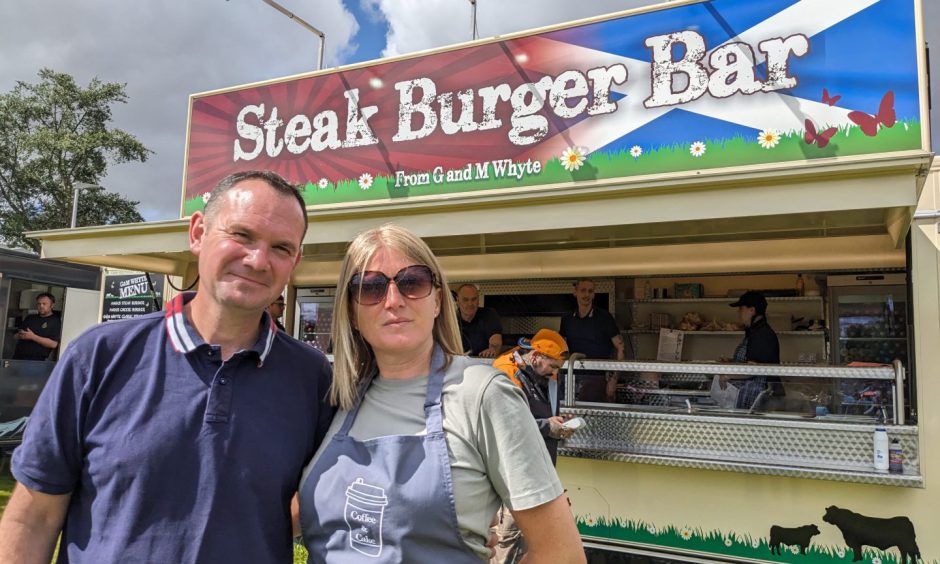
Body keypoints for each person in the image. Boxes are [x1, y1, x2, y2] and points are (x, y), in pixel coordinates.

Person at [0, 170, 334, 564]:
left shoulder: (312, 378)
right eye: (241, 235)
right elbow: (34, 517)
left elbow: (322, 500)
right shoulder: (99, 356)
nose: (258, 260)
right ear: (197, 233)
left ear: (294, 261)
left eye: (280, 247)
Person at [298, 224, 585, 563]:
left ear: (437, 300)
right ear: (351, 312)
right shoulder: (334, 397)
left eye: (412, 282)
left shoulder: (484, 394)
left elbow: (561, 553)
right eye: (371, 287)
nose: (393, 301)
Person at [491, 329, 579, 564]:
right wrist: (546, 426)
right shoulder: (506, 373)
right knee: (507, 547)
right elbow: (506, 425)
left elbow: (544, 415)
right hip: (514, 482)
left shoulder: (545, 375)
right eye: (554, 366)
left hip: (539, 479)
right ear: (537, 356)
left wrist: (559, 422)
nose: (555, 373)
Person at [712, 290, 782, 410]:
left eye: (741, 309)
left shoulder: (762, 334)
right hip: (750, 398)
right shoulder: (754, 331)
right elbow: (750, 360)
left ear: (752, 310)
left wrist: (728, 375)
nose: (739, 313)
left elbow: (753, 369)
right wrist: (730, 362)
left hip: (760, 400)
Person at [559, 278, 625, 402]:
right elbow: (561, 348)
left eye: (590, 291)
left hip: (598, 379)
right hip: (571, 378)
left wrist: (614, 380)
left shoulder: (605, 317)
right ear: (575, 292)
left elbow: (620, 348)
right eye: (583, 290)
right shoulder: (567, 318)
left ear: (594, 294)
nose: (586, 294)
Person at [456, 283, 503, 357]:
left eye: (473, 299)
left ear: (478, 300)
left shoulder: (489, 314)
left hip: (483, 363)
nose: (470, 303)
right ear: (458, 301)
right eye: (465, 300)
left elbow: (496, 342)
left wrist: (492, 350)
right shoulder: (451, 319)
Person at [12, 293, 61, 361]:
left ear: (52, 305)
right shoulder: (30, 318)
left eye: (44, 304)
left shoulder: (55, 321)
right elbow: (15, 336)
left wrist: (32, 337)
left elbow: (53, 344)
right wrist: (20, 335)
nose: (41, 306)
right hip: (17, 357)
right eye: (39, 303)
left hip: (37, 361)